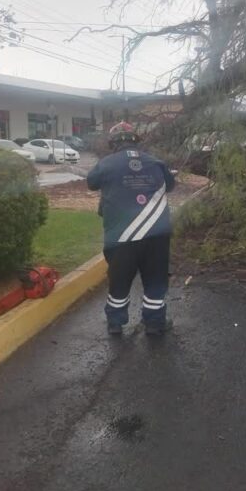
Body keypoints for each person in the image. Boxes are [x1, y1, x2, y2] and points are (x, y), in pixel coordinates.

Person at [87, 122, 176, 336]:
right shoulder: (156, 162)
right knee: (155, 279)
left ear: (113, 143)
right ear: (136, 140)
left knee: (119, 280)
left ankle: (115, 323)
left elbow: (92, 183)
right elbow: (171, 186)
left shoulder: (106, 164)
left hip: (121, 236)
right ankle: (155, 323)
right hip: (157, 234)